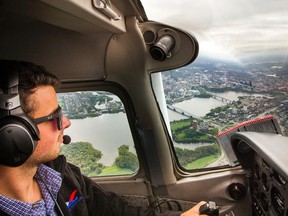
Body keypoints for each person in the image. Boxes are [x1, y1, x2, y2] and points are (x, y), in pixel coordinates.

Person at [0, 60, 208, 216]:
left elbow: (116, 211)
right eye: (55, 116)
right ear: (14, 132)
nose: (66, 122)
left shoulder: (62, 175)